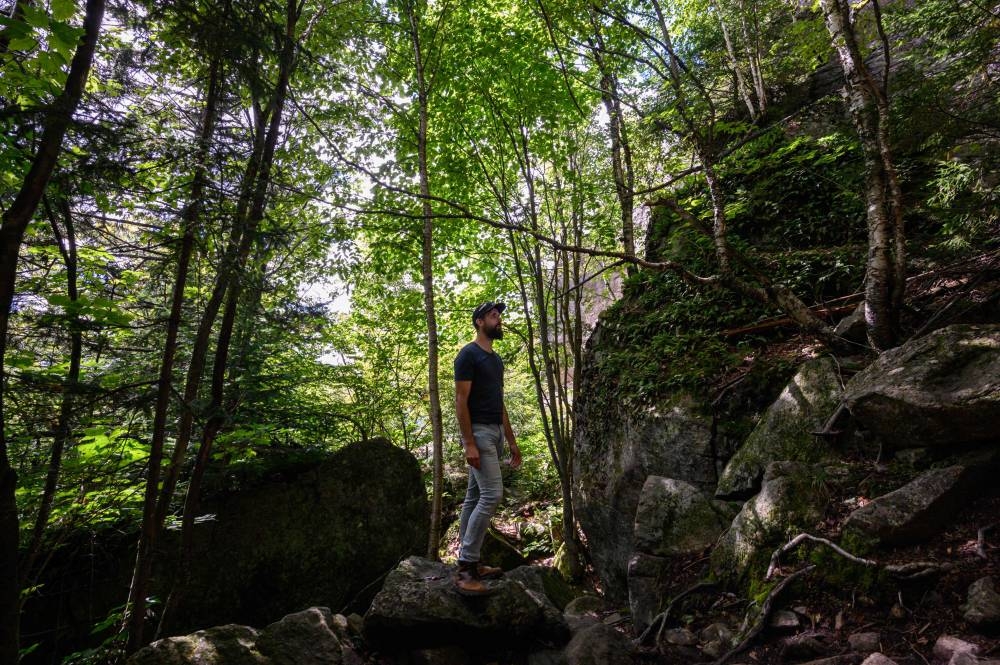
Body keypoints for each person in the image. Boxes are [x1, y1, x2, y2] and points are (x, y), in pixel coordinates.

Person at [452, 301, 522, 596]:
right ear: (480, 322)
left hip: (494, 432)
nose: (499, 320)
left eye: (499, 316)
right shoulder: (468, 355)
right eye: (494, 316)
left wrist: (511, 440)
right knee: (492, 494)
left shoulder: (495, 360)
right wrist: (468, 442)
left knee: (474, 497)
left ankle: (470, 562)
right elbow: (460, 400)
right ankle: (466, 566)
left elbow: (499, 402)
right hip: (478, 433)